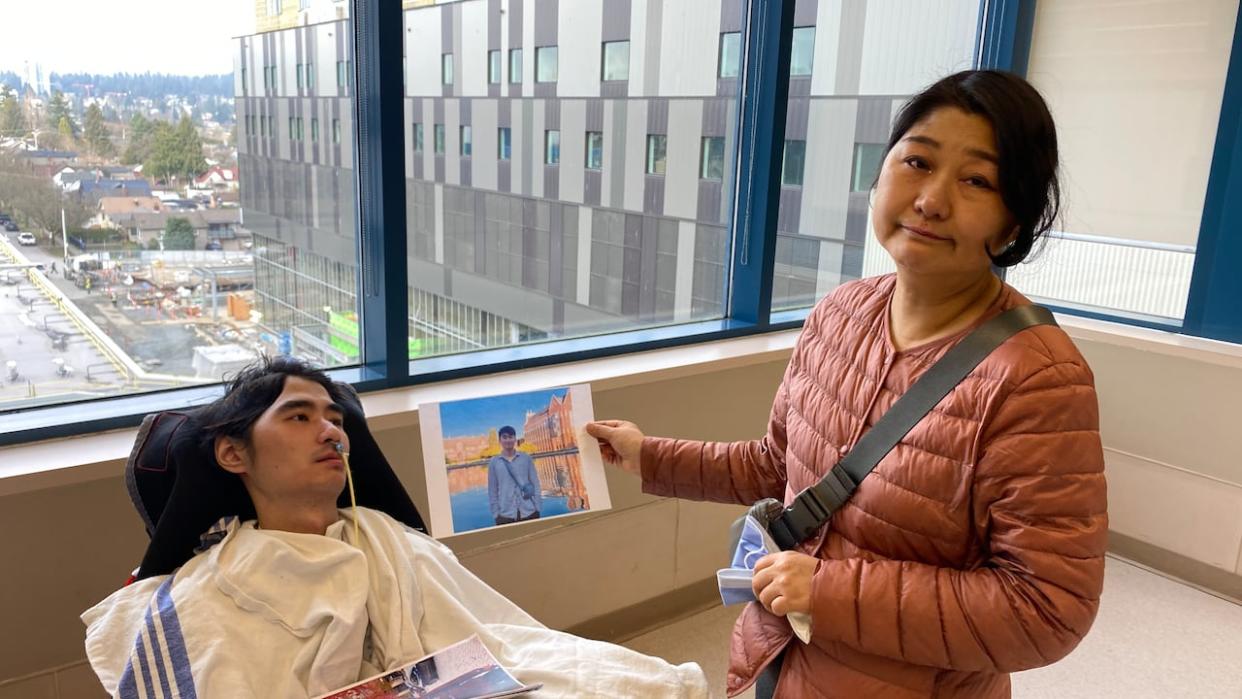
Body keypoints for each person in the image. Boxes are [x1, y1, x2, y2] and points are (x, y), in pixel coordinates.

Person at [587, 70, 1107, 699]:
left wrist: (827, 590)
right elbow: (777, 467)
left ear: (1013, 223)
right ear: (880, 174)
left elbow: (1046, 609)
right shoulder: (840, 312)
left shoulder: (1037, 380)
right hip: (782, 664)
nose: (932, 199)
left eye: (977, 180)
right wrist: (650, 454)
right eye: (917, 161)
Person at [83, 357, 709, 698]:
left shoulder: (389, 540)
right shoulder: (207, 594)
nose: (331, 430)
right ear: (231, 454)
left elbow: (502, 643)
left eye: (335, 418)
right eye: (297, 417)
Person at [487, 425, 542, 526]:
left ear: (515, 439)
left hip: (529, 512)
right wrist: (496, 514)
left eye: (511, 437)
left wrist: (537, 507)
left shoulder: (526, 458)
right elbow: (492, 491)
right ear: (500, 440)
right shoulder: (494, 462)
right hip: (505, 515)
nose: (508, 440)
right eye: (505, 437)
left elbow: (536, 483)